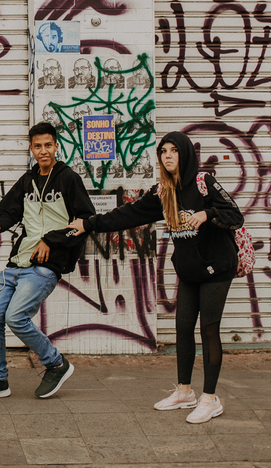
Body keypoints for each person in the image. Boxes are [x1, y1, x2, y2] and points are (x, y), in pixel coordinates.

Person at [67, 132, 244, 424]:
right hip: (189, 270)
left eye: (174, 150)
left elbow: (235, 215)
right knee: (183, 328)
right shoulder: (163, 191)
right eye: (163, 151)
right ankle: (185, 391)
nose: (168, 155)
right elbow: (128, 215)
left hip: (217, 268)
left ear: (185, 153)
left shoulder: (204, 182)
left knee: (208, 330)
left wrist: (206, 214)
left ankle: (210, 399)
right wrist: (88, 223)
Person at [0, 122, 94, 403]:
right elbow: (9, 208)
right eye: (37, 146)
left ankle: (55, 363)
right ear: (31, 149)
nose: (43, 151)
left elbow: (85, 221)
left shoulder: (68, 179)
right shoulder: (28, 181)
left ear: (56, 146)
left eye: (48, 145)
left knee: (16, 317)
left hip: (45, 266)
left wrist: (52, 240)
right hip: (18, 262)